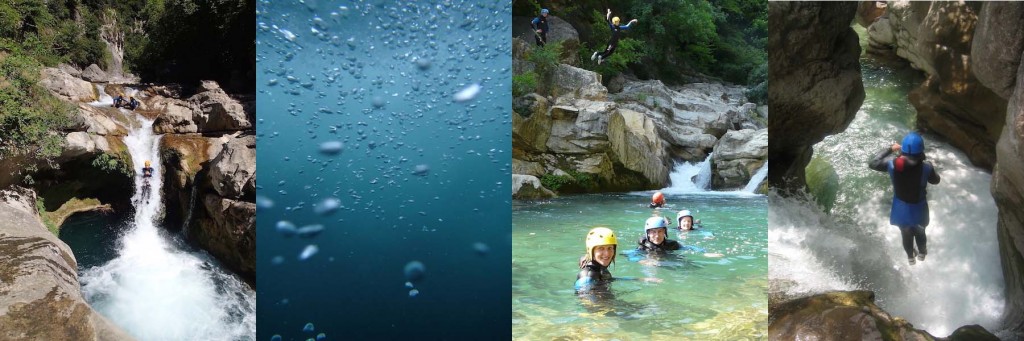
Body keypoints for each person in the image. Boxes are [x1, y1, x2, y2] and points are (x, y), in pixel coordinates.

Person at [869, 132, 940, 265]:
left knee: (906, 233)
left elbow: (873, 163)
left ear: (903, 150)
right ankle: (922, 253)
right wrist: (932, 168)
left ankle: (910, 257)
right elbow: (936, 181)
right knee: (920, 231)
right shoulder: (927, 167)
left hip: (900, 210)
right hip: (919, 209)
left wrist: (890, 148)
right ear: (921, 151)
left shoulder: (892, 165)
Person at [575, 227, 617, 293]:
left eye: (610, 248)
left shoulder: (601, 269)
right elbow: (585, 300)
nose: (607, 253)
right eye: (601, 248)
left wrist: (635, 279)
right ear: (591, 250)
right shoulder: (587, 276)